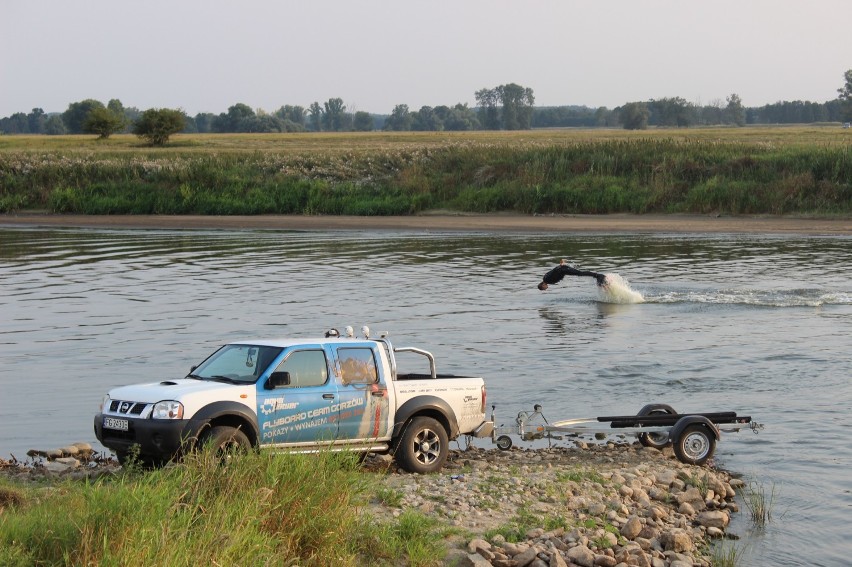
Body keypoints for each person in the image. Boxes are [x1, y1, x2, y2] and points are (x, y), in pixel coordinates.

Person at [537, 259, 607, 291]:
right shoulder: (546, 278)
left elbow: (553, 272)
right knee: (579, 273)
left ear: (543, 285)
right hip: (563, 269)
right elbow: (553, 272)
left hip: (563, 270)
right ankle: (597, 276)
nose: (545, 289)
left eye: (543, 289)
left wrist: (560, 266)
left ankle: (598, 276)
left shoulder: (546, 279)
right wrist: (560, 265)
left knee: (579, 273)